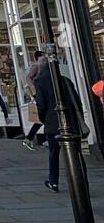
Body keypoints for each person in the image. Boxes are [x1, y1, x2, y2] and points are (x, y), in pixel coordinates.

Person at [34, 63, 86, 193]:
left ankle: (53, 181)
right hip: (71, 121)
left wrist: (43, 119)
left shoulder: (40, 81)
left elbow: (41, 104)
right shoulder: (66, 80)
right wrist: (80, 120)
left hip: (53, 123)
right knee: (77, 153)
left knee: (54, 153)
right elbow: (77, 101)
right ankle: (82, 182)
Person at [22, 52, 47, 149]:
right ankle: (31, 138)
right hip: (39, 94)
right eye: (43, 56)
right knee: (44, 116)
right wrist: (34, 90)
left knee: (43, 117)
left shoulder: (41, 66)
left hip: (41, 93)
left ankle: (29, 138)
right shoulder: (36, 66)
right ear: (38, 57)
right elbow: (28, 77)